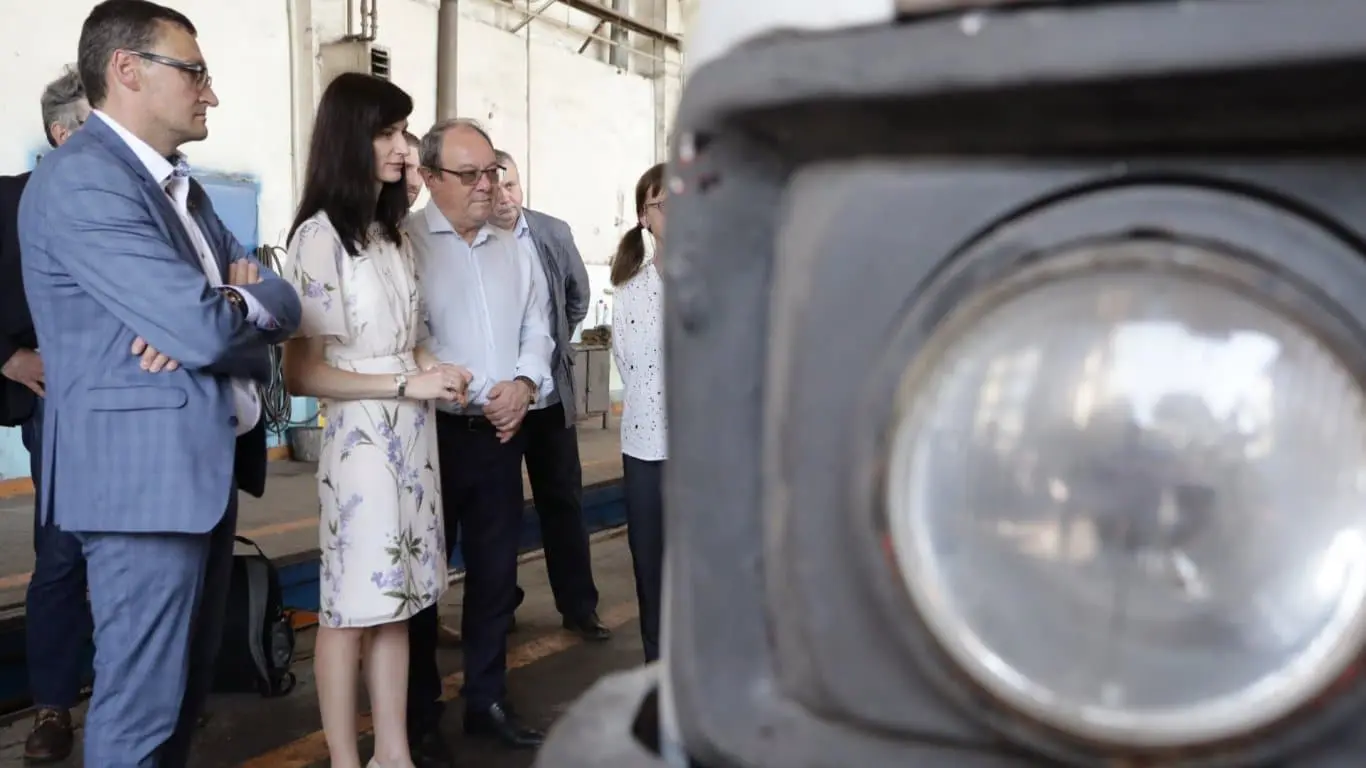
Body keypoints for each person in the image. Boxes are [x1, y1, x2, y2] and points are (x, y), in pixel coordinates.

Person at [17, 1, 302, 764]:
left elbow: (281, 301)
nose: (212, 93)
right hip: (139, 487)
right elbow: (202, 330)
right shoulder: (87, 181)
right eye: (195, 73)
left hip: (195, 475)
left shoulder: (183, 192)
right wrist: (217, 316)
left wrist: (226, 304)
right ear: (127, 70)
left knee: (179, 705)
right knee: (141, 713)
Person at [282, 73, 471, 768]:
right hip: (361, 441)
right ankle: (344, 759)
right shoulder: (318, 238)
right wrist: (404, 382)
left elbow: (409, 340)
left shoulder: (389, 235)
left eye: (404, 133)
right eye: (388, 133)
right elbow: (302, 374)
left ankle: (394, 754)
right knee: (348, 609)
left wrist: (437, 368)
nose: (404, 148)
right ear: (349, 138)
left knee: (401, 602)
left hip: (412, 436)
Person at [406, 118, 553, 763]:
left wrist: (524, 384)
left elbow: (537, 326)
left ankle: (487, 700)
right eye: (469, 175)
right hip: (430, 435)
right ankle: (418, 716)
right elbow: (412, 339)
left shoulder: (512, 247)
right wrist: (484, 390)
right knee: (422, 582)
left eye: (491, 172)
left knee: (496, 577)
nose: (486, 185)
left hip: (501, 434)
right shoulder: (406, 244)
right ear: (429, 177)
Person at [0, 64, 92, 763]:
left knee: (139, 554)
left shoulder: (143, 203)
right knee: (61, 553)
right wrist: (8, 358)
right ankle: (54, 706)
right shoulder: (11, 202)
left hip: (143, 409)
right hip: (55, 407)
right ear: (63, 134)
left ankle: (134, 696)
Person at [490, 149, 609, 642]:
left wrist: (555, 345)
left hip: (549, 399)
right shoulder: (470, 240)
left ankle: (579, 607)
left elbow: (576, 297)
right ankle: (499, 607)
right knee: (496, 512)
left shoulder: (552, 233)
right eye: (494, 186)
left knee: (563, 502)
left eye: (511, 185)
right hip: (496, 404)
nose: (504, 196)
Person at [610, 162, 668, 662]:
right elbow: (629, 367)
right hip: (648, 449)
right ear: (645, 218)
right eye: (665, 205)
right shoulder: (631, 293)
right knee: (652, 569)